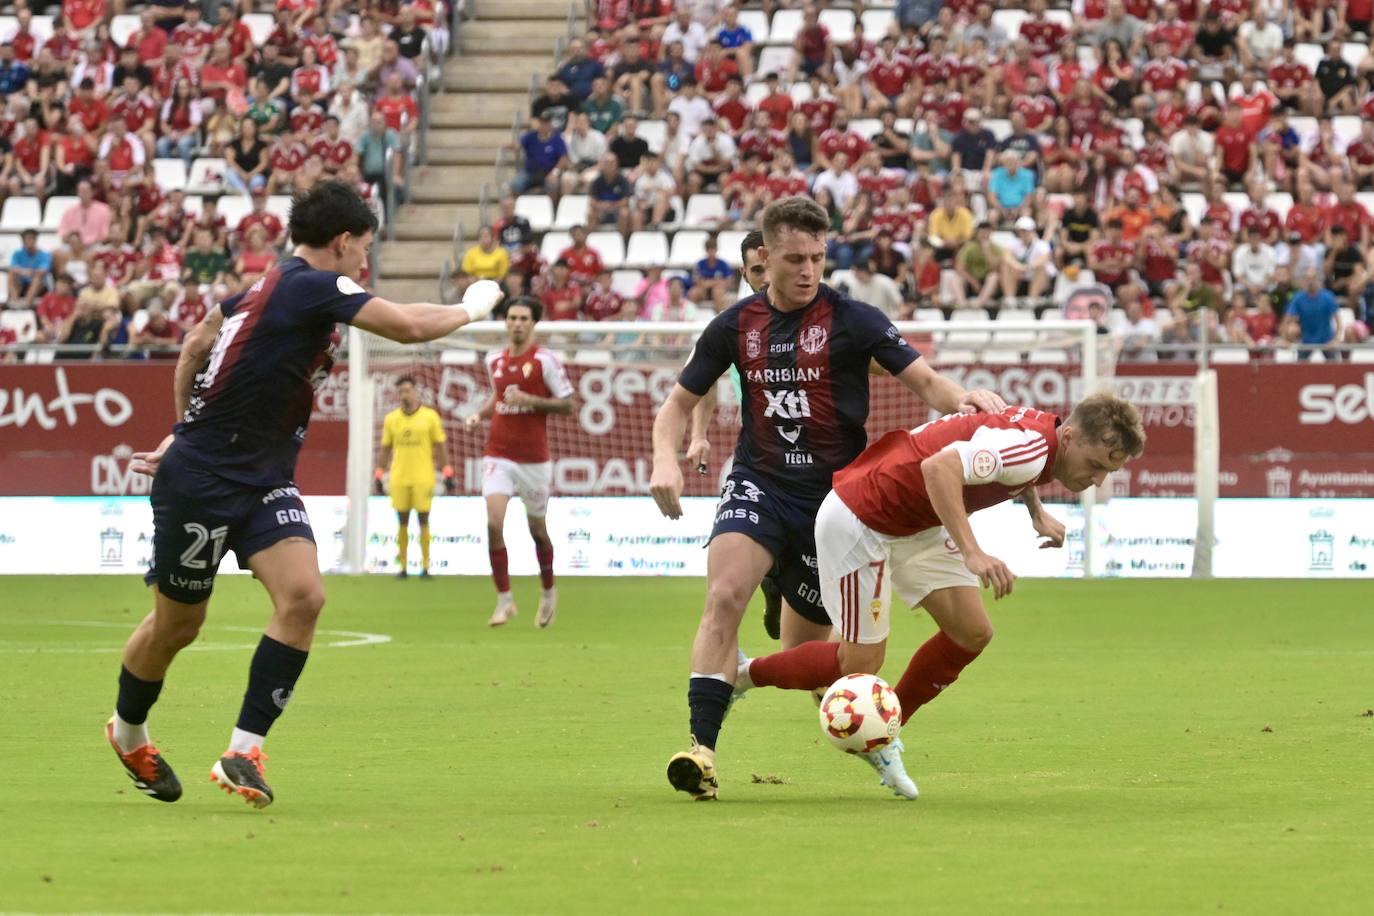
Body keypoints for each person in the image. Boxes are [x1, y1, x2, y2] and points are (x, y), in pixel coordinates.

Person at [107, 182, 506, 809]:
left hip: (264, 479)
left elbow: (195, 348)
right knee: (178, 624)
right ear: (343, 243)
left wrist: (185, 427)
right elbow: (404, 326)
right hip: (205, 481)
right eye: (365, 250)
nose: (365, 263)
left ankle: (243, 749)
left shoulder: (256, 290)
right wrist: (473, 308)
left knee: (304, 596)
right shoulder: (312, 285)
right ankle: (128, 733)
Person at [649, 197, 1005, 801]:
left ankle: (875, 738)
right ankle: (701, 751)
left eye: (818, 257)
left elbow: (925, 381)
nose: (809, 269)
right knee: (722, 593)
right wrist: (665, 456)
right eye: (794, 258)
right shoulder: (734, 326)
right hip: (759, 483)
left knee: (828, 664)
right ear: (764, 256)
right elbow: (677, 403)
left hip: (836, 507)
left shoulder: (855, 319)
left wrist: (963, 398)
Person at [733, 395, 1146, 797]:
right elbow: (940, 467)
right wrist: (972, 551)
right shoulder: (1034, 449)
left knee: (971, 631)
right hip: (865, 514)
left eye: (1107, 471)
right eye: (1094, 466)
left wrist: (1035, 511)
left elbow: (1011, 461)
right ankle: (741, 674)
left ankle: (884, 733)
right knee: (858, 662)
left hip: (920, 520)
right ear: (1070, 437)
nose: (1097, 481)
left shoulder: (1046, 438)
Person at [464, 297, 575, 629]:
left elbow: (567, 405)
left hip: (533, 461)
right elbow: (498, 398)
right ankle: (505, 600)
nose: (516, 323)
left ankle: (548, 591)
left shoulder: (545, 361)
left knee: (537, 531)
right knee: (494, 523)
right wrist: (478, 415)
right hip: (498, 454)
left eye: (523, 318)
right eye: (511, 317)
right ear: (505, 321)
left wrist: (531, 400)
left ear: (533, 323)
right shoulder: (494, 359)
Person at [376, 376, 449, 578]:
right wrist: (379, 473)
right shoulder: (392, 419)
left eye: (407, 390)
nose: (404, 395)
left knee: (424, 519)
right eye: (401, 392)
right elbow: (385, 449)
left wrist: (447, 471)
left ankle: (426, 566)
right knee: (402, 521)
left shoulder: (430, 417)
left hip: (423, 476)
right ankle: (403, 567)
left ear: (416, 392)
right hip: (399, 476)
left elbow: (440, 446)